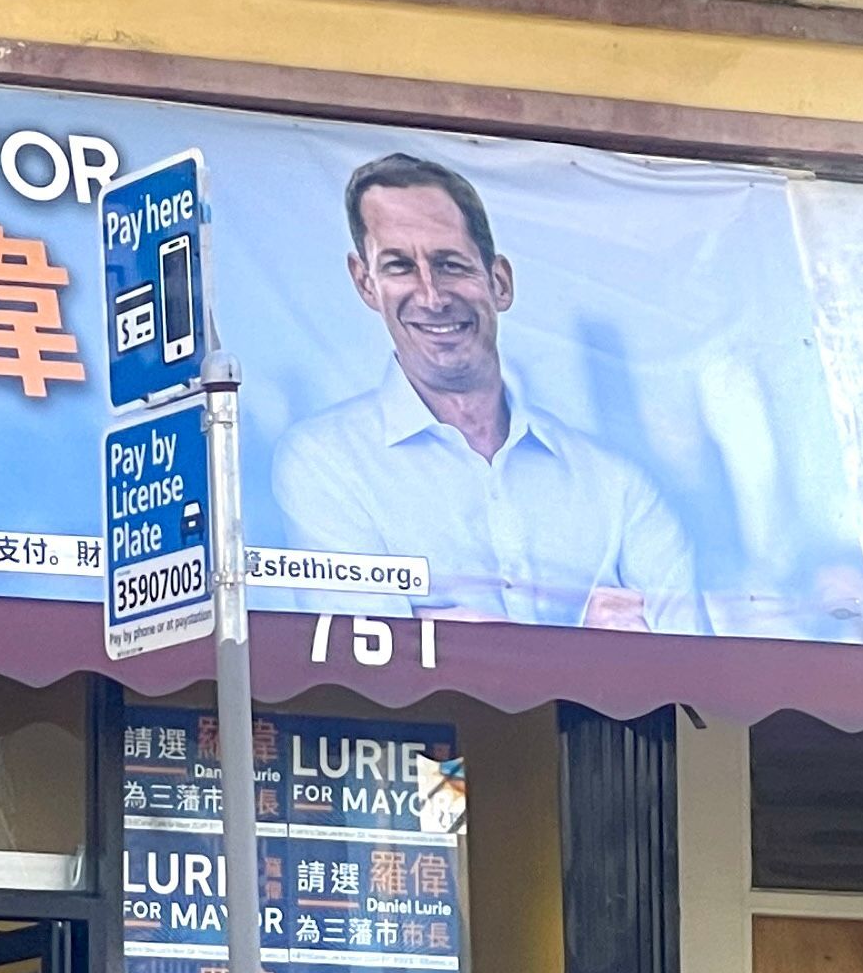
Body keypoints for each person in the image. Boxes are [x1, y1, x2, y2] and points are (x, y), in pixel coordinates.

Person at [270, 151, 701, 632]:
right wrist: (585, 645)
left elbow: (692, 674)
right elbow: (367, 661)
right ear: (365, 284)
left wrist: (441, 631)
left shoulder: (618, 486)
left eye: (450, 264)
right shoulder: (324, 463)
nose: (432, 296)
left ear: (499, 282)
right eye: (399, 267)